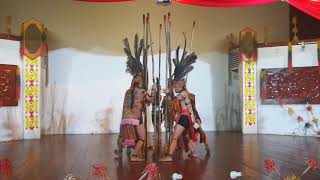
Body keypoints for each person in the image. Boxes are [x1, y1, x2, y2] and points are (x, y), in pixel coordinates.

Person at [114, 34, 157, 161]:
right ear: (139, 80)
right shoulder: (142, 91)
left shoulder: (128, 91)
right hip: (137, 119)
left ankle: (120, 150)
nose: (143, 80)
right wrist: (154, 90)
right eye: (142, 79)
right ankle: (134, 156)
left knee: (124, 136)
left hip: (126, 119)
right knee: (142, 138)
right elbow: (150, 100)